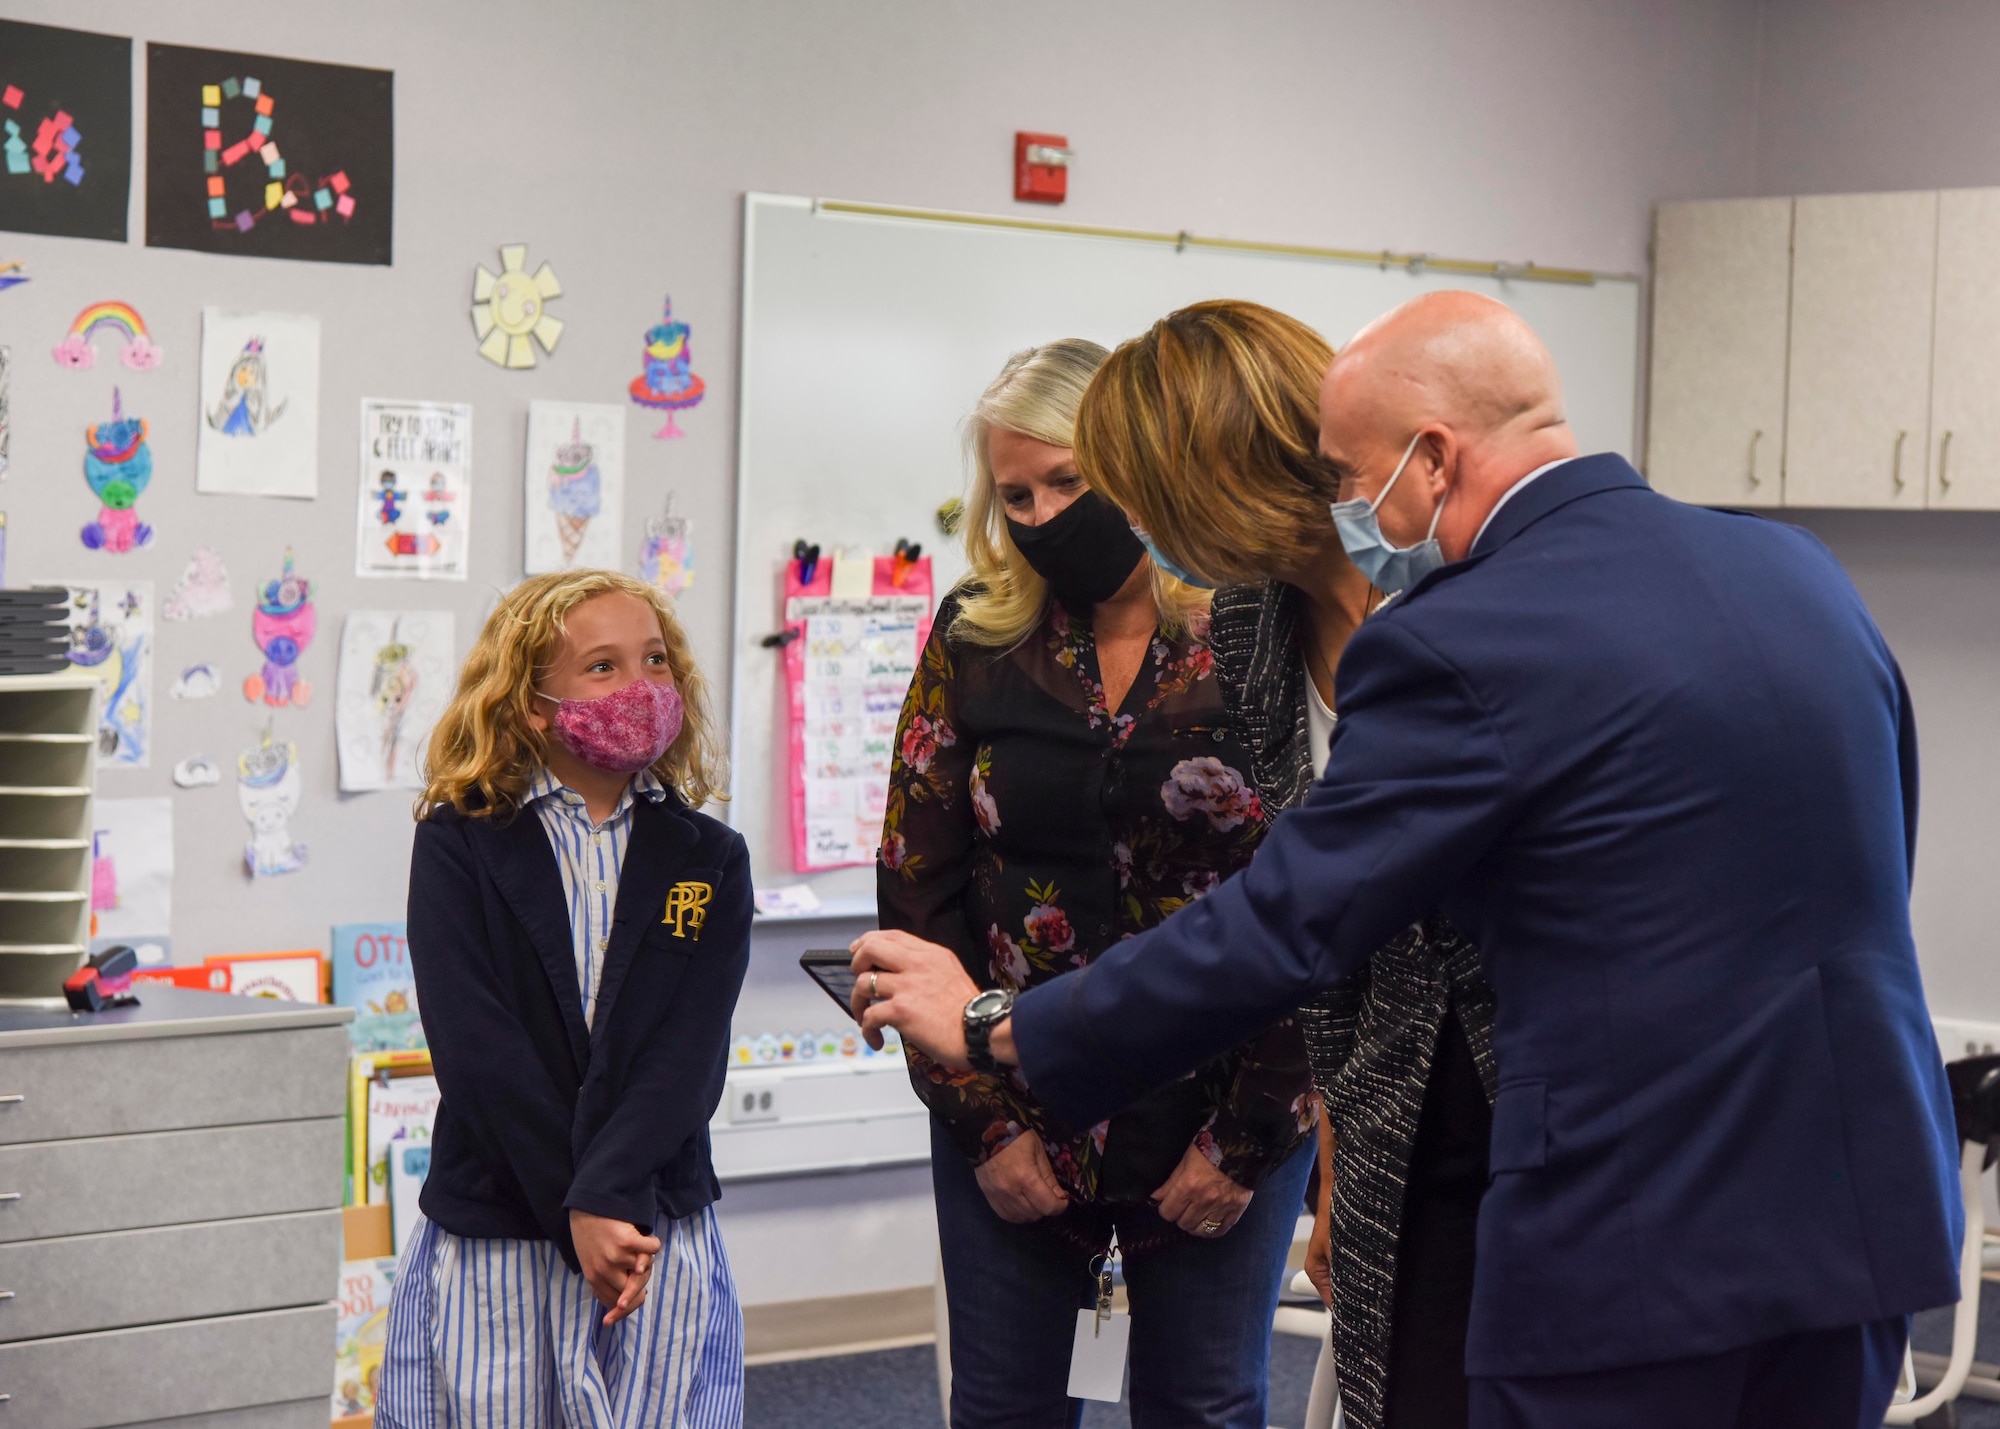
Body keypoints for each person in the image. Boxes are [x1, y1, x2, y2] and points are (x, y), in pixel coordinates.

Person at [852, 291, 1963, 1429]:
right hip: (1855, 1206)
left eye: (1341, 474)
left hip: (1618, 1222)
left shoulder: (1463, 634)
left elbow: (1285, 920)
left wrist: (999, 1024)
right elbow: (1872, 853)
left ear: (1428, 459)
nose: (1333, 499)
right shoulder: (1793, 569)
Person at [1076, 297, 1497, 1429]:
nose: (1131, 528)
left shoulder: (1462, 595)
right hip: (1385, 1101)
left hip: (1526, 1104)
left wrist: (1020, 1027)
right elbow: (1323, 908)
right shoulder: (1251, 629)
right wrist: (1338, 1136)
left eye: (1143, 498)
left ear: (1209, 481)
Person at [880, 338, 1315, 1428]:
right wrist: (983, 1122)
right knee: (1000, 1407)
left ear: (1138, 461)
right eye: (1015, 492)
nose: (1039, 515)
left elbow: (1323, 891)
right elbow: (914, 889)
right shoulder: (976, 636)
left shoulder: (1258, 633)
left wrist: (1247, 1138)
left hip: (1222, 1104)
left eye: (1068, 481)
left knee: (1205, 1406)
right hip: (1011, 1097)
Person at [378, 570, 749, 1429]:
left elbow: (687, 1058)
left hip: (648, 1233)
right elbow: (479, 1051)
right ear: (534, 702)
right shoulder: (459, 842)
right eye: (603, 667)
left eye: (656, 661)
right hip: (503, 1226)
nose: (643, 687)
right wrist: (574, 1205)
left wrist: (609, 1198)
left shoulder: (711, 857)